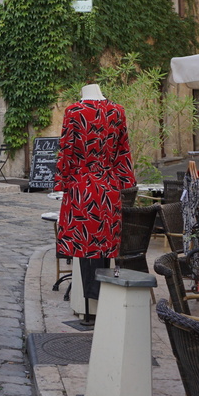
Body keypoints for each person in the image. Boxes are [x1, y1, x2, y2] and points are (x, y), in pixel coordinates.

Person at [52, 83, 134, 315]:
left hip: (82, 187)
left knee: (83, 244)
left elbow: (66, 148)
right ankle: (98, 298)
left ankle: (91, 299)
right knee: (104, 245)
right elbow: (123, 151)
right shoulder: (117, 111)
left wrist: (61, 181)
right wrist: (125, 181)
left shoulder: (74, 112)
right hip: (109, 187)